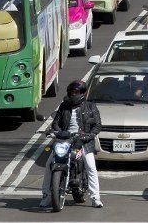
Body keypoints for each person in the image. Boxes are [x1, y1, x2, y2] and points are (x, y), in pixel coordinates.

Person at [41, 80, 103, 208]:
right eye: (72, 92)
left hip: (83, 141)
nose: (74, 94)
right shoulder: (64, 106)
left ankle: (95, 197)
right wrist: (58, 132)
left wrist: (88, 135)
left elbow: (97, 125)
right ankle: (46, 196)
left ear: (83, 93)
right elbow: (55, 123)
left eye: (76, 92)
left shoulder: (91, 106)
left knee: (91, 166)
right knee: (48, 164)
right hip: (65, 140)